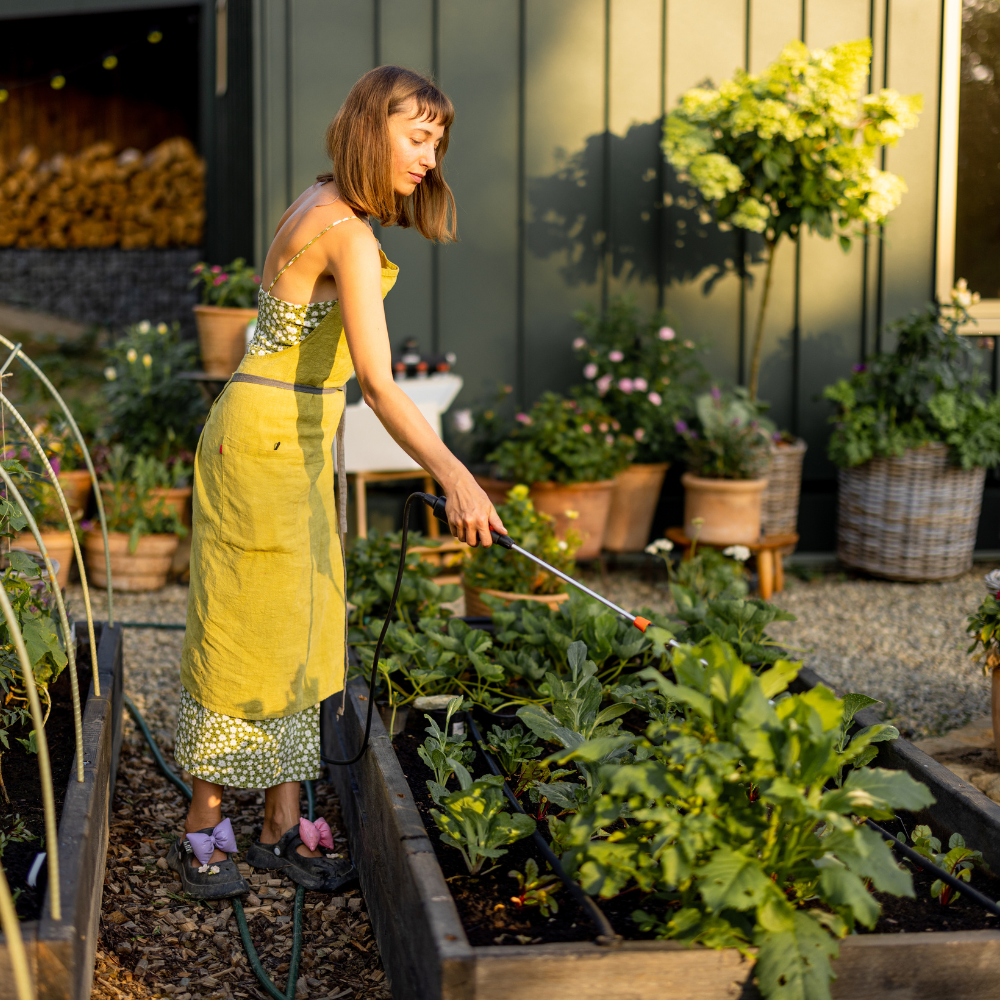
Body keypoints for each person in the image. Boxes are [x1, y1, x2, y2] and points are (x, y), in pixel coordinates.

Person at [166, 66, 505, 899]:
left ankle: (283, 818)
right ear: (370, 129)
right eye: (417, 137)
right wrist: (456, 474)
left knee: (307, 625)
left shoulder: (324, 200)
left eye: (438, 141)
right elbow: (382, 385)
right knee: (250, 628)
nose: (431, 157)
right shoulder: (343, 233)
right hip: (267, 444)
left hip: (291, 436)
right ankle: (202, 822)